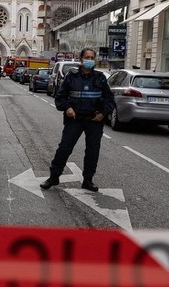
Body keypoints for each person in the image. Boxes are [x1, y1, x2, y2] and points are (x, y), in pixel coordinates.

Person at [41, 48, 114, 192]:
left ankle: (88, 180)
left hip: (94, 120)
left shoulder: (100, 78)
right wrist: (67, 108)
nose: (90, 60)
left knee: (93, 151)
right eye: (87, 57)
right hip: (74, 119)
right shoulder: (72, 76)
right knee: (64, 148)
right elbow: (60, 96)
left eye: (92, 57)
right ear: (81, 59)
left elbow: (109, 100)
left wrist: (103, 114)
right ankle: (54, 177)